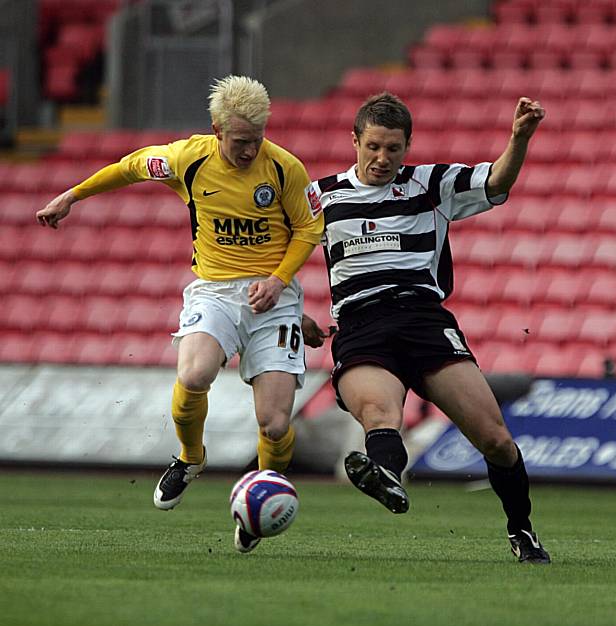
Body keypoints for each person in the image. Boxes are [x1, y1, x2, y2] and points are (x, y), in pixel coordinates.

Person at [36, 75, 325, 554]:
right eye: (239, 141)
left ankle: (258, 501)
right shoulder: (187, 159)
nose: (250, 151)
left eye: (256, 140)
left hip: (275, 298)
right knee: (194, 374)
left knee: (274, 424)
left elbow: (309, 229)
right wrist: (73, 195)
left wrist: (277, 281)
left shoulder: (285, 169)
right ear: (216, 129)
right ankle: (191, 458)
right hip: (213, 290)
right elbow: (129, 167)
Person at [310, 92, 550, 563]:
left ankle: (521, 530)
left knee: (497, 441)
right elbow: (278, 254)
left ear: (407, 146)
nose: (382, 158)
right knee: (380, 413)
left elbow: (497, 180)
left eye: (393, 149)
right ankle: (388, 478)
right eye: (373, 146)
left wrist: (518, 138)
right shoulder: (319, 197)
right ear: (354, 140)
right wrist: (292, 308)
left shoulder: (431, 184)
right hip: (361, 326)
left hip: (424, 320)